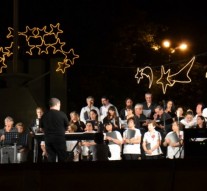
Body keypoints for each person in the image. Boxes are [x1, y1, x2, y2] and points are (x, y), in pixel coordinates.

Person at [40, 98, 69, 162]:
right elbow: (67, 127)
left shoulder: (44, 115)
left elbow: (41, 129)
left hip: (48, 140)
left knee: (51, 159)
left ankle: (51, 172)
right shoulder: (62, 114)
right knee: (62, 159)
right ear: (57, 104)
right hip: (59, 140)